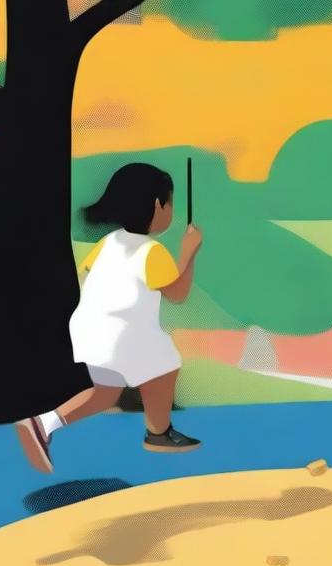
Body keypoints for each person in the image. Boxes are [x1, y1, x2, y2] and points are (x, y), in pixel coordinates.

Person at [15, 163, 203, 473]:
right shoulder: (152, 251)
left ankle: (42, 424)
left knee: (105, 393)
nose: (170, 209)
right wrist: (189, 252)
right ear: (157, 205)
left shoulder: (109, 242)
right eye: (169, 202)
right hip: (122, 334)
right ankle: (159, 433)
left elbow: (90, 274)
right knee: (167, 362)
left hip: (90, 330)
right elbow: (178, 293)